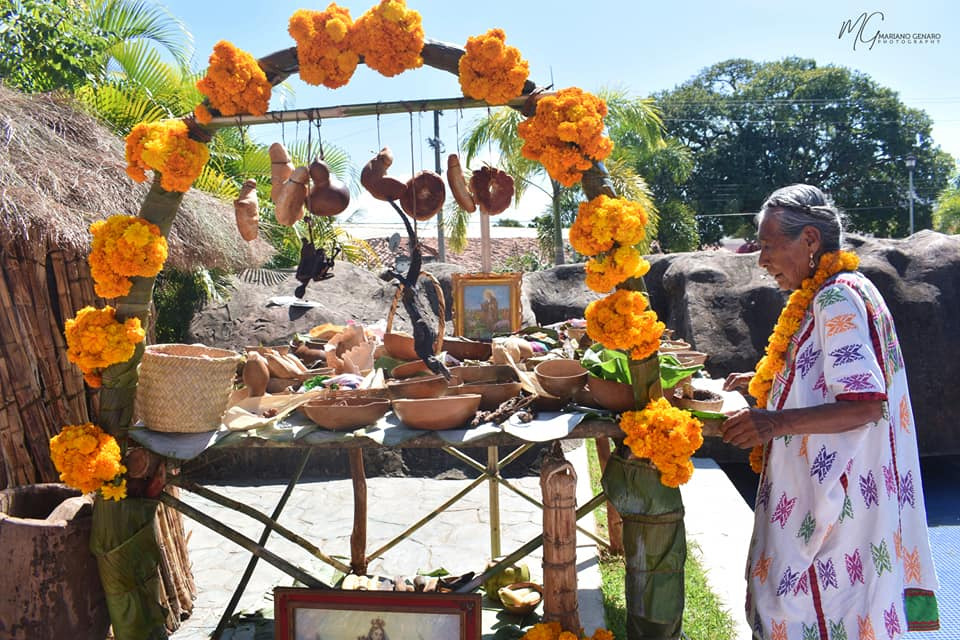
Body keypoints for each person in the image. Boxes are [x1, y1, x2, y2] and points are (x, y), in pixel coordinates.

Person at [721, 184, 939, 639]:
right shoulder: (852, 287)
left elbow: (864, 403)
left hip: (837, 498)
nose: (761, 260)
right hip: (854, 490)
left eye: (767, 245)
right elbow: (825, 373)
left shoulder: (833, 298)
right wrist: (770, 382)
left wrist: (772, 422)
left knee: (799, 603)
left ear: (811, 241)